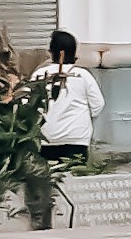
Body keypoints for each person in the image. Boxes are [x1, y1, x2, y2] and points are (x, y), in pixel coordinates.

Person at [38, 30, 106, 160]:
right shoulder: (83, 75)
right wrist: (83, 118)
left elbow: (27, 104)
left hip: (47, 139)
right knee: (76, 177)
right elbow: (98, 104)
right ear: (74, 52)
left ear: (51, 52)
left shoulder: (40, 74)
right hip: (77, 138)